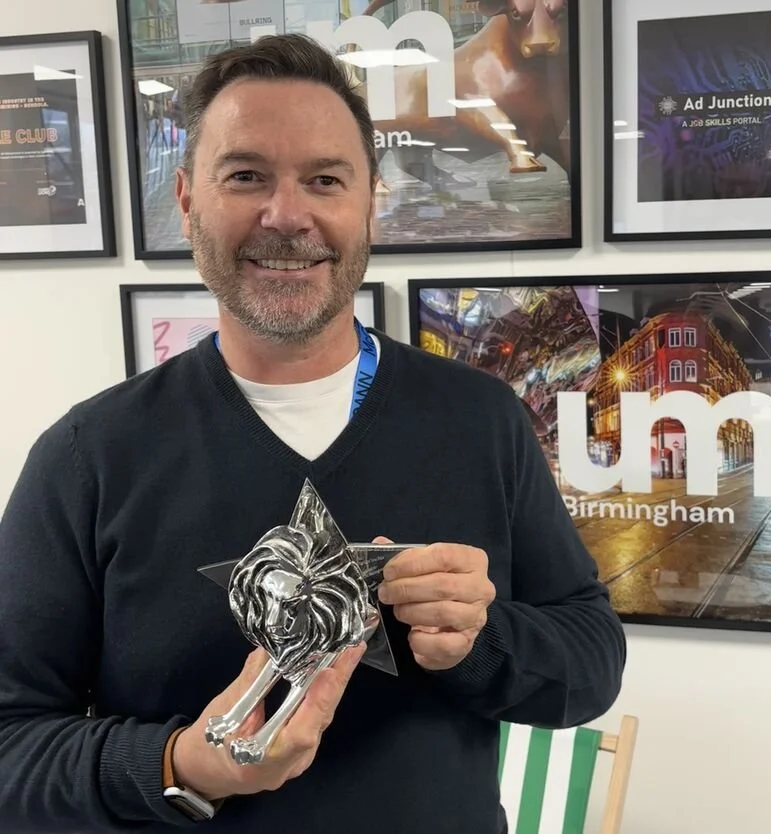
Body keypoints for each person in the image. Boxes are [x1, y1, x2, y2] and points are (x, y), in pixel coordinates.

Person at [0, 33, 626, 834]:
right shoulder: (86, 457)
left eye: (325, 179)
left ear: (372, 203)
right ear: (189, 201)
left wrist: (481, 640)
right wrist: (183, 766)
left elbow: (592, 664)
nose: (287, 215)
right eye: (246, 176)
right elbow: (13, 746)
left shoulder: (481, 418)